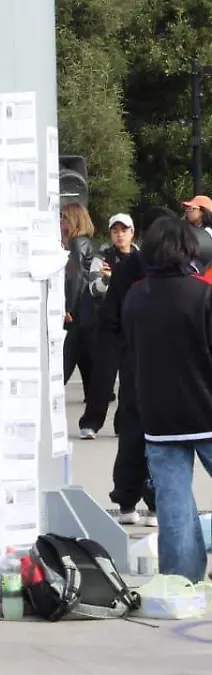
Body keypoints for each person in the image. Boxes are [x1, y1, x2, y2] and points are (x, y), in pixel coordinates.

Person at [122, 216, 212, 584]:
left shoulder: (135, 297)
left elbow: (129, 349)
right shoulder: (203, 294)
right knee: (175, 504)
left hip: (159, 414)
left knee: (173, 505)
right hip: (206, 408)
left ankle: (181, 582)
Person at [100, 207, 171, 528]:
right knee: (162, 435)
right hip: (168, 363)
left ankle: (126, 500)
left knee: (131, 431)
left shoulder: (127, 268)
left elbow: (110, 319)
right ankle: (155, 502)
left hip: (133, 361)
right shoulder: (177, 269)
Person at [80, 214, 137, 439]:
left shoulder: (141, 258)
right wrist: (107, 279)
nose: (120, 234)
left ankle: (123, 424)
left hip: (133, 326)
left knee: (130, 380)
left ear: (132, 232)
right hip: (107, 326)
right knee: (102, 378)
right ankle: (91, 422)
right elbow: (94, 289)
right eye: (115, 230)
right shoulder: (102, 258)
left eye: (124, 230)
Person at [60, 203, 98, 410]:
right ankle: (95, 394)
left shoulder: (77, 244)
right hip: (84, 310)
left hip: (77, 310)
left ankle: (54, 389)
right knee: (85, 356)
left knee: (67, 356)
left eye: (64, 218)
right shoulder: (80, 243)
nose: (60, 221)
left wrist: (68, 308)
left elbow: (75, 280)